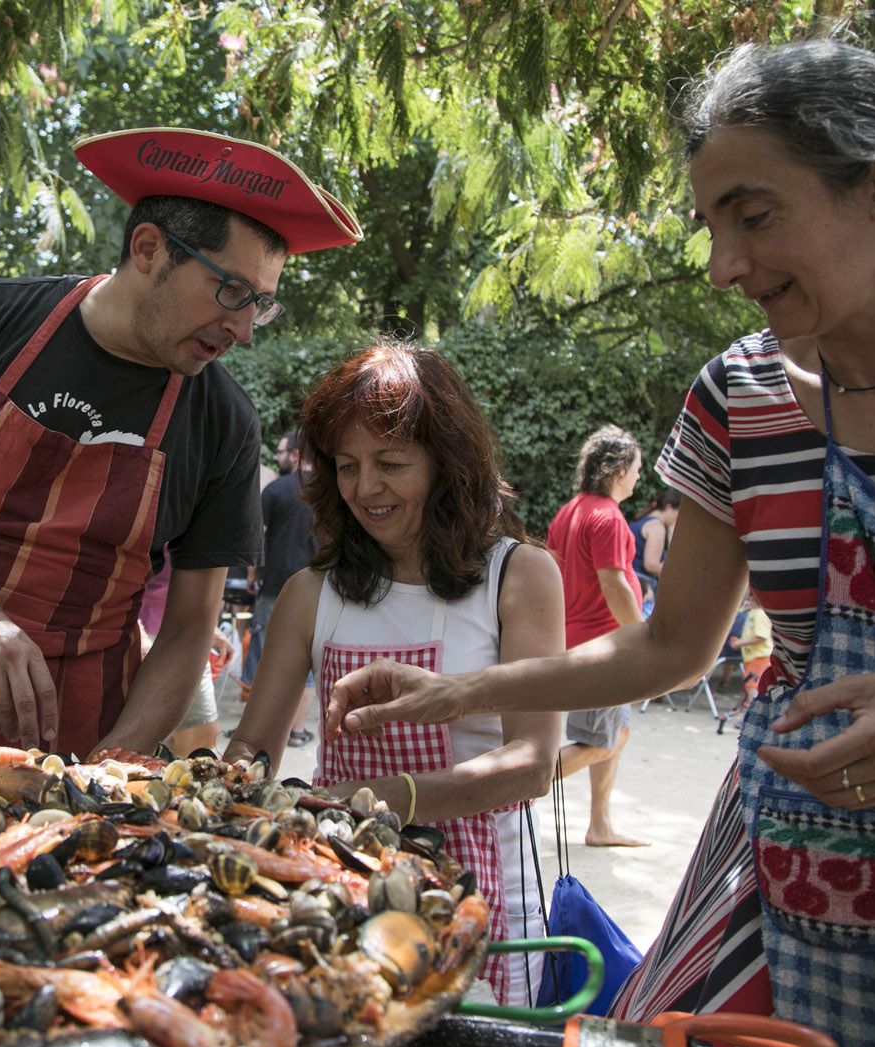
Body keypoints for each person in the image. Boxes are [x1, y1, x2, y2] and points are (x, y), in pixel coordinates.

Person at [323, 39, 875, 1047]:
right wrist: (462, 691)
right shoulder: (737, 397)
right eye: (712, 225)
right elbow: (669, 647)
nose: (722, 266)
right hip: (796, 879)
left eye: (753, 216)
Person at [0, 128, 362, 758]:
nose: (242, 329)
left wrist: (107, 774)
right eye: (231, 291)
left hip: (85, 734)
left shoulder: (223, 421)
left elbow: (188, 631)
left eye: (261, 304)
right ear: (151, 249)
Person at [225, 341, 565, 1006]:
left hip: (480, 893)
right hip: (335, 884)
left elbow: (533, 764)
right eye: (347, 466)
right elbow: (254, 747)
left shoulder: (518, 577)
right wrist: (223, 782)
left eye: (390, 463)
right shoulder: (310, 593)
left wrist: (372, 799)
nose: (363, 488)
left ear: (447, 462)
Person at [546, 426, 648, 847]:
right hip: (606, 647)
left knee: (612, 736)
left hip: (580, 643)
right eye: (637, 470)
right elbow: (615, 585)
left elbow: (552, 571)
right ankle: (512, 782)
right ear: (618, 470)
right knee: (604, 740)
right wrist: (643, 635)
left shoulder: (569, 511)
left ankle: (600, 825)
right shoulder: (606, 517)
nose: (639, 479)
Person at [242, 429, 317, 745]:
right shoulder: (331, 491)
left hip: (275, 584)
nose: (281, 458)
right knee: (309, 661)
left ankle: (256, 733)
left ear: (297, 455)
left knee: (263, 650)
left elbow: (255, 535)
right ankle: (296, 731)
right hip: (316, 587)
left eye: (285, 452)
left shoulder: (276, 490)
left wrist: (250, 574)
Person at [137, 552, 234, 756]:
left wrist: (210, 626)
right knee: (149, 739)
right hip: (147, 629)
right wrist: (137, 629)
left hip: (189, 630)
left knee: (199, 738)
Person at [629, 487, 681, 611]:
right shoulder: (657, 527)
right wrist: (677, 574)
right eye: (678, 513)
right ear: (669, 508)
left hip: (632, 581)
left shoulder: (642, 521)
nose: (678, 519)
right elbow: (651, 565)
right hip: (642, 588)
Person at [728, 593, 772, 709]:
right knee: (749, 685)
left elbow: (761, 636)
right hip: (752, 657)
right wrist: (740, 641)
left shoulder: (759, 614)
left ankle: (754, 713)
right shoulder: (754, 613)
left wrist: (740, 643)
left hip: (759, 657)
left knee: (752, 686)